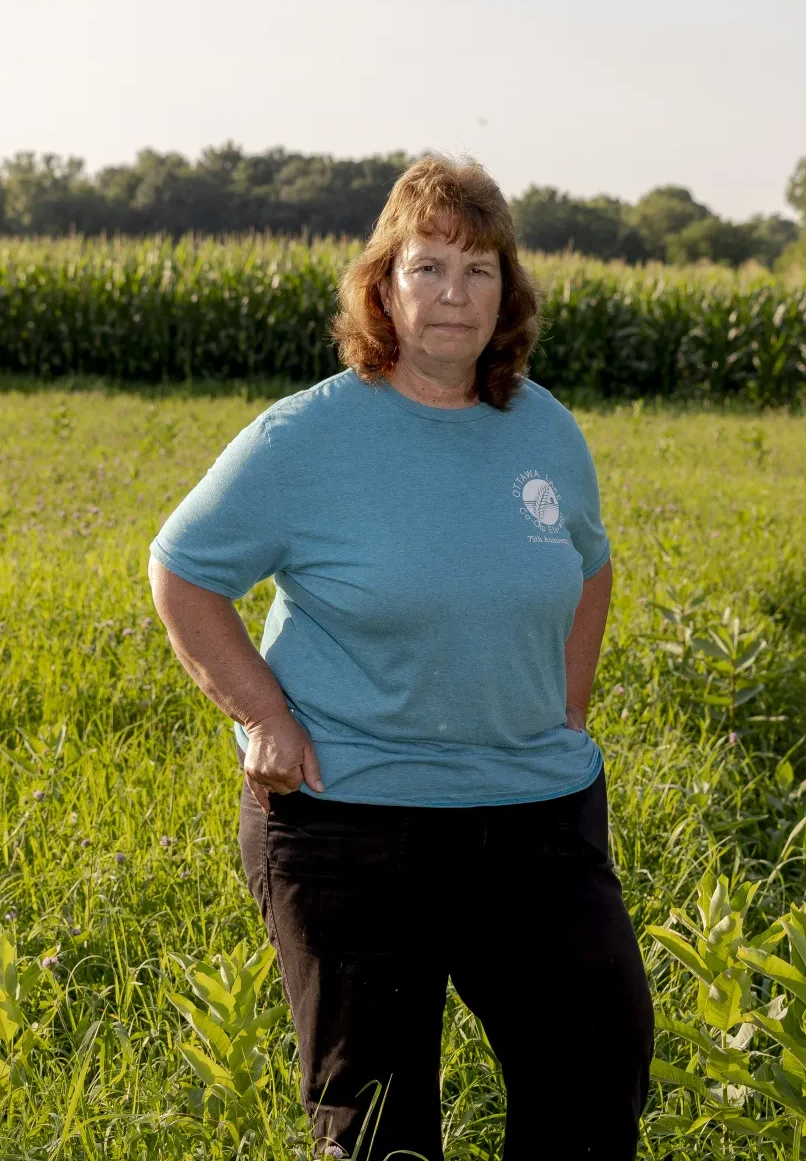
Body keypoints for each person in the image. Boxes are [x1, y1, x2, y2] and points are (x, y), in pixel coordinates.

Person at [149, 155, 652, 1160]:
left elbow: (588, 567)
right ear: (382, 285)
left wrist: (568, 700)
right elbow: (183, 570)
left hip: (533, 817)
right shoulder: (305, 437)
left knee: (595, 1075)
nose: (453, 295)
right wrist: (264, 716)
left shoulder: (543, 429)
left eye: (478, 270)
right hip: (350, 824)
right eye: (428, 268)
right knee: (381, 1130)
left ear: (507, 292)